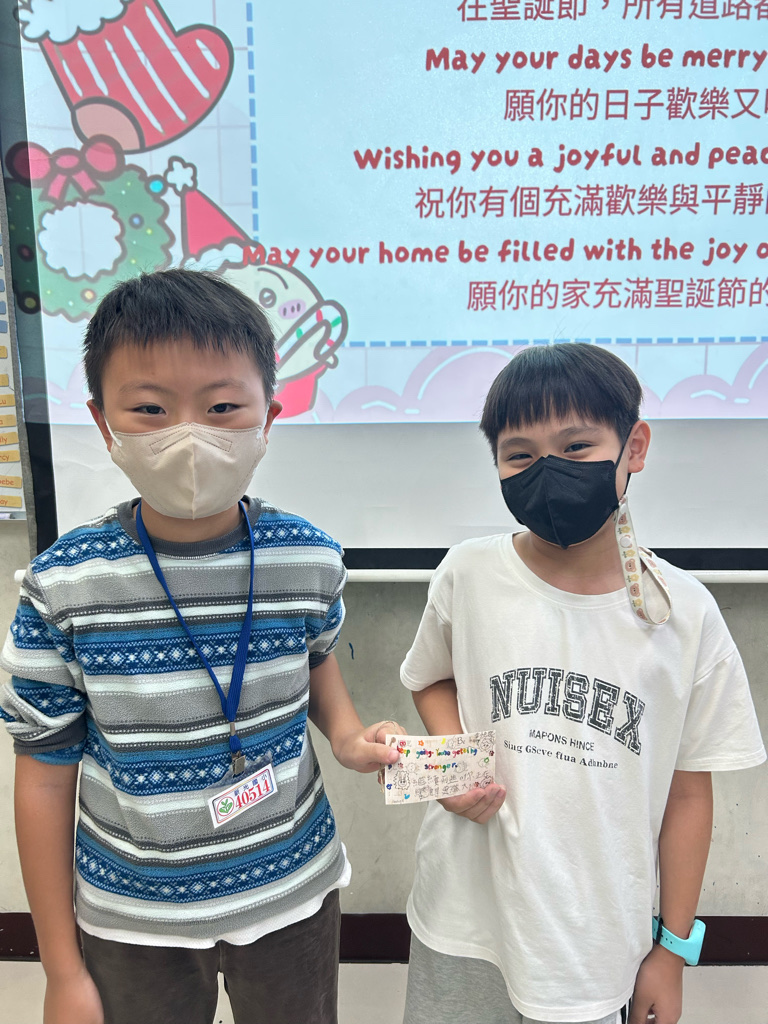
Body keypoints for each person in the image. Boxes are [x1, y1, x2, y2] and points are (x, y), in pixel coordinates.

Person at [0, 268, 400, 1024]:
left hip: (292, 891)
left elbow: (312, 659)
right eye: (151, 408)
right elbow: (44, 778)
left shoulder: (308, 558)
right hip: (133, 917)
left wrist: (348, 737)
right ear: (104, 422)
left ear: (267, 418)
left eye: (221, 407)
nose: (189, 436)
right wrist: (60, 969)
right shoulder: (61, 586)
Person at [399, 343, 765, 1024]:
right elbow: (430, 680)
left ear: (634, 447)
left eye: (576, 446)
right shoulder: (467, 574)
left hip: (592, 946)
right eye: (519, 455)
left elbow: (689, 793)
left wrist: (672, 951)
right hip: (463, 921)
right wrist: (456, 769)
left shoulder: (684, 614)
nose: (548, 471)